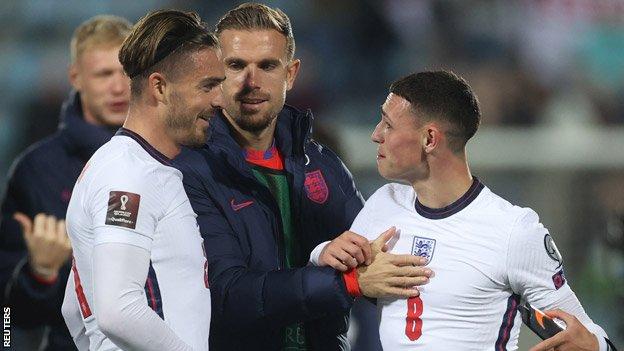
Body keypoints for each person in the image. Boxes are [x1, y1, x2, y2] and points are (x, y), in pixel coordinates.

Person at [173, 3, 433, 351]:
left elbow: (383, 260)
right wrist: (345, 282)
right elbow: (227, 295)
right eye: (236, 65)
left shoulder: (324, 167)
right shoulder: (188, 170)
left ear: (291, 74)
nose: (252, 81)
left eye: (267, 65)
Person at [310, 70, 617, 350]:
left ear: (430, 139)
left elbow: (583, 332)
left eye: (389, 125)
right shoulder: (383, 204)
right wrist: (322, 252)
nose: (376, 134)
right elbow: (315, 293)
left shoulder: (513, 230)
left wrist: (597, 347)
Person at [61, 9, 223, 350]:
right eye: (208, 86)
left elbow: (74, 309)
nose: (219, 101)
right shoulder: (129, 176)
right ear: (160, 87)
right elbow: (117, 310)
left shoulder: (131, 167)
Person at [0, 15, 132, 350]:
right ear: (76, 77)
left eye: (127, 72)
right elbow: (8, 317)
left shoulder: (176, 155)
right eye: (104, 74)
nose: (118, 87)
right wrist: (40, 272)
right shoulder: (36, 170)